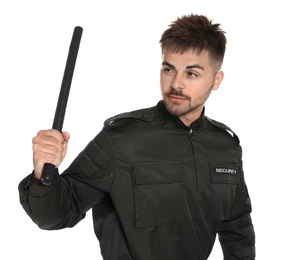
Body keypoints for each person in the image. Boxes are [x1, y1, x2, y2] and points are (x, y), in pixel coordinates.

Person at [18, 14, 255, 260]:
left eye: (192, 74)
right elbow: (56, 214)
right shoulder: (121, 139)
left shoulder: (225, 146)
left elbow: (237, 230)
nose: (176, 84)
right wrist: (41, 174)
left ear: (216, 80)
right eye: (168, 69)